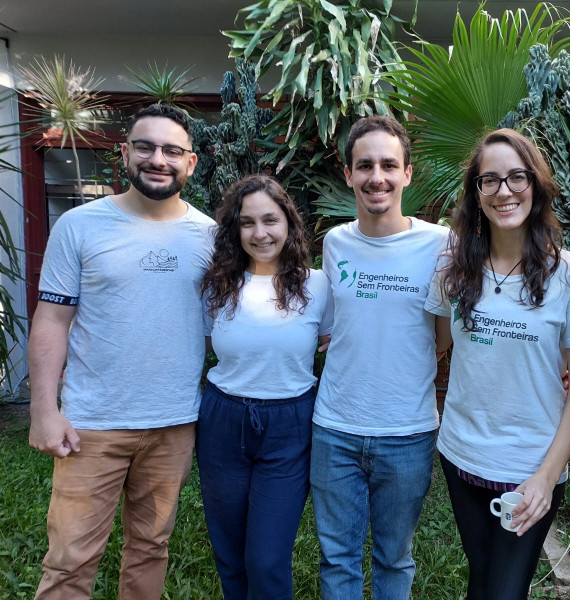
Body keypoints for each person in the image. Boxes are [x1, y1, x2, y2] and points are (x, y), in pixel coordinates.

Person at [27, 104, 215, 600]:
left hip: (174, 422)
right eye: (146, 147)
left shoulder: (212, 236)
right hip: (92, 423)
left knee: (151, 548)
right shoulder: (80, 225)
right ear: (126, 153)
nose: (159, 159)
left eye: (172, 150)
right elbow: (52, 319)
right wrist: (44, 410)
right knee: (69, 559)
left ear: (190, 163)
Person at [424, 129, 570, 599]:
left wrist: (545, 476)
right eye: (490, 180)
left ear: (536, 185)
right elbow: (435, 346)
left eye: (517, 177)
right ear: (476, 194)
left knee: (504, 591)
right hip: (461, 455)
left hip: (531, 465)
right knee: (481, 579)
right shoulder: (452, 269)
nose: (504, 191)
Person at [310, 115, 449, 599]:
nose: (377, 177)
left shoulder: (441, 244)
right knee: (337, 559)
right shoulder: (335, 243)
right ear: (347, 174)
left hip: (407, 430)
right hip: (335, 427)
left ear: (407, 174)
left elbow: (446, 334)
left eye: (389, 165)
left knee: (394, 558)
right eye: (364, 165)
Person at [196, 174, 332, 600]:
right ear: (235, 230)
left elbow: (328, 342)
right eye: (248, 222)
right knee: (230, 552)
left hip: (289, 424)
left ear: (288, 223)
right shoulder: (218, 285)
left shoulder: (318, 284)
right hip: (222, 420)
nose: (260, 233)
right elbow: (205, 345)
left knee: (267, 558)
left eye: (270, 220)